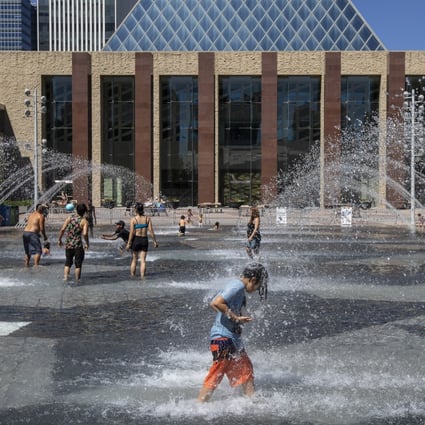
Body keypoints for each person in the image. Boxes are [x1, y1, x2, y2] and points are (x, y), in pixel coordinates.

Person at [197, 262, 269, 402]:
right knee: (218, 371)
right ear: (253, 279)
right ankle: (199, 405)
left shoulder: (237, 286)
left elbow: (214, 304)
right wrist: (235, 317)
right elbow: (217, 302)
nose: (256, 290)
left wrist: (234, 320)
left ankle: (253, 402)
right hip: (222, 338)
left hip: (231, 338)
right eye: (258, 286)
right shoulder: (238, 286)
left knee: (245, 368)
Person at [58, 203, 89, 282]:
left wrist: (59, 239)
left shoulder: (69, 218)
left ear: (76, 210)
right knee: (78, 264)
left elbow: (62, 229)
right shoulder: (84, 221)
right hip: (77, 245)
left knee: (68, 262)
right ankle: (77, 280)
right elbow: (85, 234)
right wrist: (87, 243)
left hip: (68, 244)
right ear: (84, 211)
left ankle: (65, 278)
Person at [126, 203, 158, 278]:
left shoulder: (133, 219)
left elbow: (131, 233)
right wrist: (154, 241)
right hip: (144, 239)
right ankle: (142, 276)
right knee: (143, 260)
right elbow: (151, 231)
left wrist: (128, 243)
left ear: (136, 210)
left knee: (134, 260)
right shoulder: (147, 218)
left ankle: (132, 276)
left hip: (136, 239)